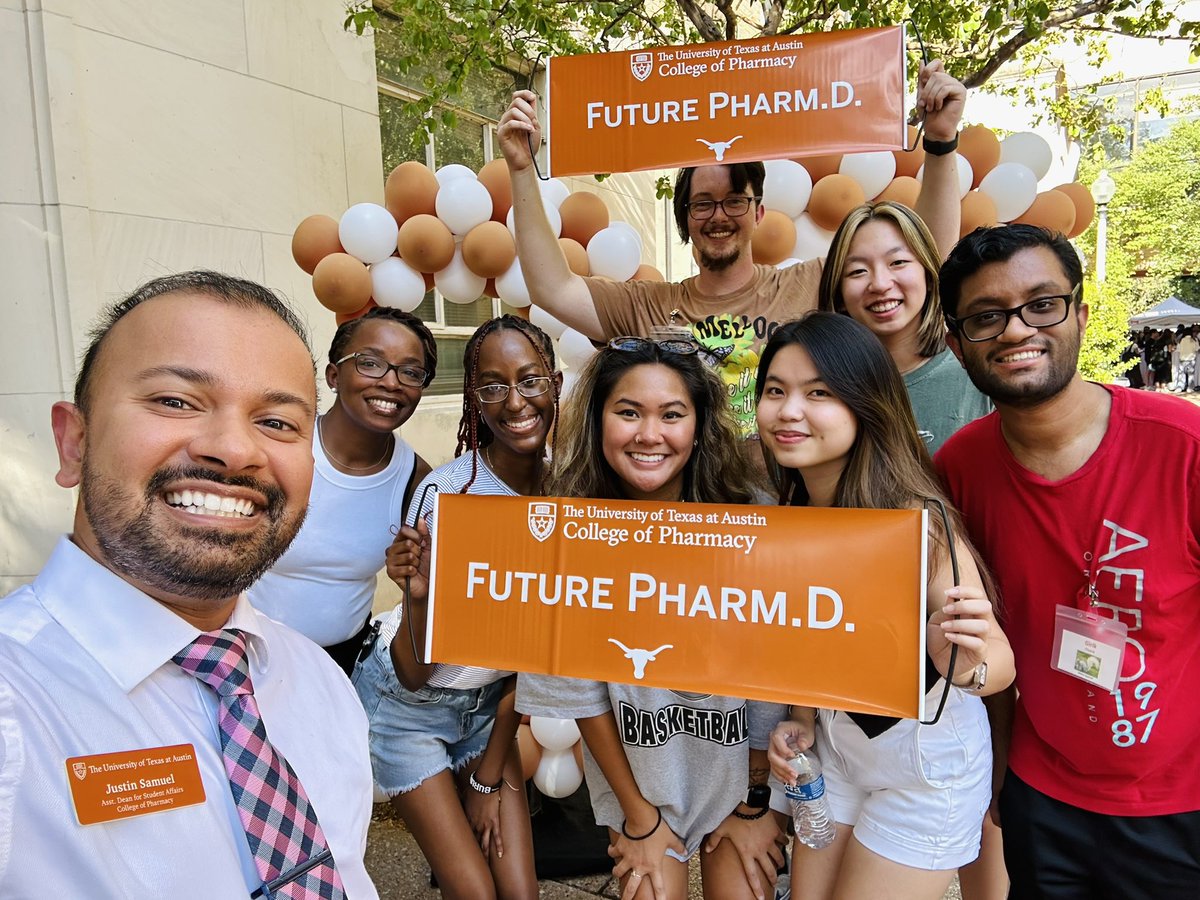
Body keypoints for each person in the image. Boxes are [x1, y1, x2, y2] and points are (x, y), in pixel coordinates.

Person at [0, 271, 377, 898]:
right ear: (74, 442)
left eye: (278, 422)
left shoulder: (317, 683)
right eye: (176, 401)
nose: (234, 451)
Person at [936, 224, 1200, 896]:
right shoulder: (959, 470)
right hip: (1043, 797)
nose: (1016, 329)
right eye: (986, 316)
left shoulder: (1184, 447)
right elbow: (972, 638)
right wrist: (997, 774)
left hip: (1182, 803)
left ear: (1080, 313)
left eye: (1042, 304)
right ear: (956, 342)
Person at [497, 63, 966, 437]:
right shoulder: (647, 305)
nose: (718, 216)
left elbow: (924, 255)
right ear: (685, 218)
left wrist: (941, 143)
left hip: (789, 514)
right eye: (702, 204)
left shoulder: (809, 284)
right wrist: (521, 167)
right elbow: (552, 288)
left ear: (758, 211)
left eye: (735, 200)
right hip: (695, 518)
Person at [517, 339, 789, 900]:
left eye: (672, 414)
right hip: (637, 779)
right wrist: (638, 817)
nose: (649, 434)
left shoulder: (750, 519)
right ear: (597, 422)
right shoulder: (569, 532)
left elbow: (772, 675)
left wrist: (755, 800)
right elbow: (575, 692)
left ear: (699, 425)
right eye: (628, 412)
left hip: (743, 776)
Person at [757, 312, 1013, 900]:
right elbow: (809, 642)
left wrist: (961, 659)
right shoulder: (787, 522)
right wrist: (798, 716)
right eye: (776, 390)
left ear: (865, 403)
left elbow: (997, 663)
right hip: (837, 752)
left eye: (818, 393)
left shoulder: (917, 525)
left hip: (926, 767)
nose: (790, 411)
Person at [354, 315, 560, 900]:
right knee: (474, 891)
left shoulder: (572, 493)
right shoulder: (449, 497)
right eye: (491, 386)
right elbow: (417, 673)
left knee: (520, 892)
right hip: (407, 706)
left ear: (557, 383)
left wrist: (491, 777)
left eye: (530, 380)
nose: (514, 401)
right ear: (474, 400)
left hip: (492, 706)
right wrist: (418, 600)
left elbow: (537, 661)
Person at [247, 306, 435, 675]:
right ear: (334, 375)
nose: (391, 382)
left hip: (343, 666)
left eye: (410, 372)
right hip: (243, 656)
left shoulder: (415, 477)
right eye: (371, 363)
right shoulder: (280, 446)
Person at [818, 200, 990, 453]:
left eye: (897, 262)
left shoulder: (978, 371)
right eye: (857, 271)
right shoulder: (820, 385)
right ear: (839, 294)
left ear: (929, 277)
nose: (880, 283)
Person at [1172, 324, 1197, 392]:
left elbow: (1178, 349)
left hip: (1182, 359)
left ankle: (1180, 387)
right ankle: (1190, 388)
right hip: (1191, 359)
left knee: (1181, 374)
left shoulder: (1181, 340)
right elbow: (1197, 349)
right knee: (1190, 375)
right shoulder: (1194, 340)